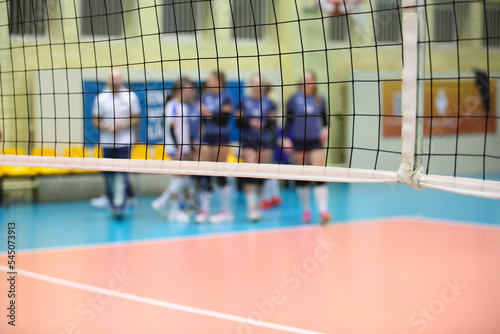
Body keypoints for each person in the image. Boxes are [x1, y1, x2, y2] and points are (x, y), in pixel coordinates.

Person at [283, 70, 331, 224]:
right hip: (298, 141)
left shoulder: (319, 99)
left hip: (315, 141)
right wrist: (285, 139)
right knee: (302, 176)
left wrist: (326, 129)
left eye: (309, 79)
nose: (307, 82)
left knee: (318, 174)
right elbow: (287, 121)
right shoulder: (294, 99)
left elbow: (325, 119)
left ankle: (323, 211)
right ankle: (306, 211)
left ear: (314, 82)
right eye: (304, 80)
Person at [92, 69, 140, 220]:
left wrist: (123, 124)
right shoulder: (101, 98)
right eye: (112, 79)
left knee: (122, 173)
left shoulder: (130, 96)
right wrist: (108, 127)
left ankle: (120, 204)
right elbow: (95, 121)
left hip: (125, 141)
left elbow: (136, 118)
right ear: (108, 80)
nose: (115, 81)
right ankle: (112, 199)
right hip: (107, 142)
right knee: (108, 174)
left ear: (121, 80)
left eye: (117, 78)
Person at [151, 78, 197, 222]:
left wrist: (190, 143)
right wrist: (178, 148)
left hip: (184, 146)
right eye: (187, 90)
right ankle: (166, 203)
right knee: (180, 177)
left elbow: (183, 128)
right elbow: (171, 128)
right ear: (180, 91)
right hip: (175, 147)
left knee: (184, 178)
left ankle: (172, 207)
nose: (190, 93)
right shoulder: (172, 105)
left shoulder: (182, 105)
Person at [195, 71, 235, 224]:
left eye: (211, 79)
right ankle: (204, 210)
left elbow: (224, 120)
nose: (208, 82)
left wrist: (208, 113)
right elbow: (203, 121)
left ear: (220, 80)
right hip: (207, 137)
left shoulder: (226, 96)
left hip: (221, 137)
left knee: (220, 173)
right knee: (205, 173)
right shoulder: (205, 96)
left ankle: (226, 211)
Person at [237, 74, 277, 221]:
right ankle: (251, 208)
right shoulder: (244, 101)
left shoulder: (269, 103)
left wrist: (264, 125)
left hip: (264, 142)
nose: (257, 87)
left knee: (261, 176)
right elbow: (238, 122)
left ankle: (258, 203)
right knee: (250, 173)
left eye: (259, 84)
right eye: (254, 83)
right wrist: (250, 123)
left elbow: (273, 125)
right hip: (248, 142)